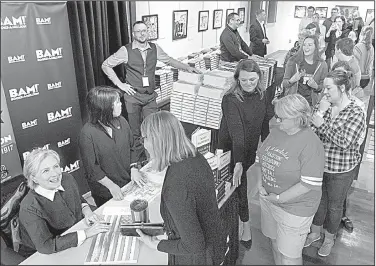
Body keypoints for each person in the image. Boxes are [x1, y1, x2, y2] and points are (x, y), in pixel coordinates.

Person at [135, 111, 226, 265]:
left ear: (158, 141)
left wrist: (155, 243)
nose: (144, 144)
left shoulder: (175, 187)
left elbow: (194, 245)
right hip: (215, 245)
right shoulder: (195, 157)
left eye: (145, 138)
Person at [102, 21, 200, 162]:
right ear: (133, 34)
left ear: (148, 32)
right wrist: (120, 85)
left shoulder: (155, 48)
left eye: (144, 31)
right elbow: (106, 65)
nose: (142, 34)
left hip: (149, 97)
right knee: (135, 133)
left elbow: (169, 61)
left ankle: (154, 160)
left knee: (153, 129)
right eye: (138, 31)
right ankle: (138, 163)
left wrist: (187, 68)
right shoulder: (125, 50)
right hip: (133, 96)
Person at [253, 94, 324, 265]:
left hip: (294, 209)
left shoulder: (311, 143)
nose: (277, 121)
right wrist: (259, 184)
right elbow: (260, 158)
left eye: (281, 117)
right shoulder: (277, 131)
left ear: (298, 118)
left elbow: (308, 184)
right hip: (269, 200)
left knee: (289, 256)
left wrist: (279, 198)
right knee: (275, 243)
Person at [305, 70, 366, 257]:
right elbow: (309, 129)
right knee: (320, 201)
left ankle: (329, 239)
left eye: (329, 88)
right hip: (319, 164)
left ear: (342, 88)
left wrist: (322, 123)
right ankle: (315, 233)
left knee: (334, 206)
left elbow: (345, 142)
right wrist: (321, 112)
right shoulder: (325, 105)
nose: (325, 93)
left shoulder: (356, 111)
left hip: (341, 170)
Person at [218, 59, 274, 249]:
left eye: (252, 79)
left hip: (249, 148)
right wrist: (239, 162)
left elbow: (265, 122)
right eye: (244, 80)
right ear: (237, 79)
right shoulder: (230, 99)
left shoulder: (262, 94)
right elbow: (236, 132)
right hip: (231, 148)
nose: (249, 84)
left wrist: (267, 149)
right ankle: (245, 226)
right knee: (238, 185)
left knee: (240, 185)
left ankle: (238, 219)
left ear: (259, 77)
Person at [19, 148, 109, 255]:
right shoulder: (29, 207)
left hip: (76, 232)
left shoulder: (67, 178)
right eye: (46, 171)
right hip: (49, 253)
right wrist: (85, 233)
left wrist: (87, 212)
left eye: (56, 166)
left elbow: (79, 199)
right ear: (34, 178)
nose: (55, 174)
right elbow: (46, 246)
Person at [79, 86, 134, 207]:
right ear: (104, 107)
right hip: (105, 191)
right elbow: (92, 169)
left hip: (127, 182)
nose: (121, 104)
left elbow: (133, 147)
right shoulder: (87, 134)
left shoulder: (122, 121)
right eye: (117, 102)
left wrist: (134, 168)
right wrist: (111, 186)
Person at [283, 35, 328, 106]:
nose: (306, 47)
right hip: (294, 103)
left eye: (310, 45)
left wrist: (316, 86)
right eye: (304, 45)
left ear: (316, 47)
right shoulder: (293, 61)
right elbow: (284, 83)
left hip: (311, 104)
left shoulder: (322, 64)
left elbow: (324, 87)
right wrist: (292, 80)